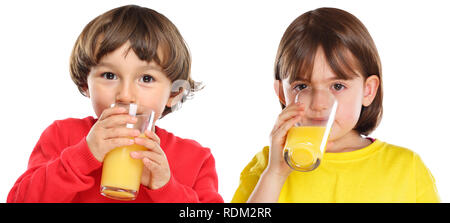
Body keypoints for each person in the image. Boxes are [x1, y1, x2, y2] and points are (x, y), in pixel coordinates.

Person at [8, 5, 223, 203]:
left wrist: (167, 188)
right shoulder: (61, 136)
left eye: (146, 79)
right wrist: (82, 156)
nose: (125, 96)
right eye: (109, 75)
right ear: (85, 84)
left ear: (174, 93)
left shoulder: (196, 159)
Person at [232, 7, 439, 203]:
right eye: (302, 86)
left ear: (368, 91)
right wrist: (275, 174)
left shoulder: (407, 168)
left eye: (337, 86)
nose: (320, 104)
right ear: (281, 93)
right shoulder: (266, 166)